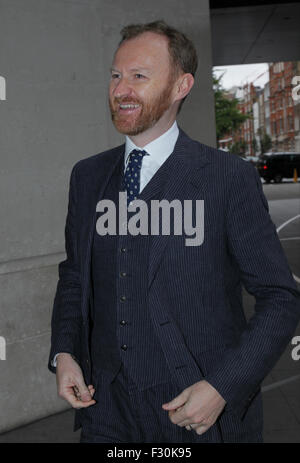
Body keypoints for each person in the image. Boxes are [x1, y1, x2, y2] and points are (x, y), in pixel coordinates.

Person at [48, 20, 300, 443]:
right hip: (105, 412)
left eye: (139, 76)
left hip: (195, 412)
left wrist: (223, 387)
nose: (121, 89)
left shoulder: (227, 178)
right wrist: (65, 352)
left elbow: (280, 297)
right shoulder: (88, 177)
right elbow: (75, 276)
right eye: (116, 75)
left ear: (181, 86)